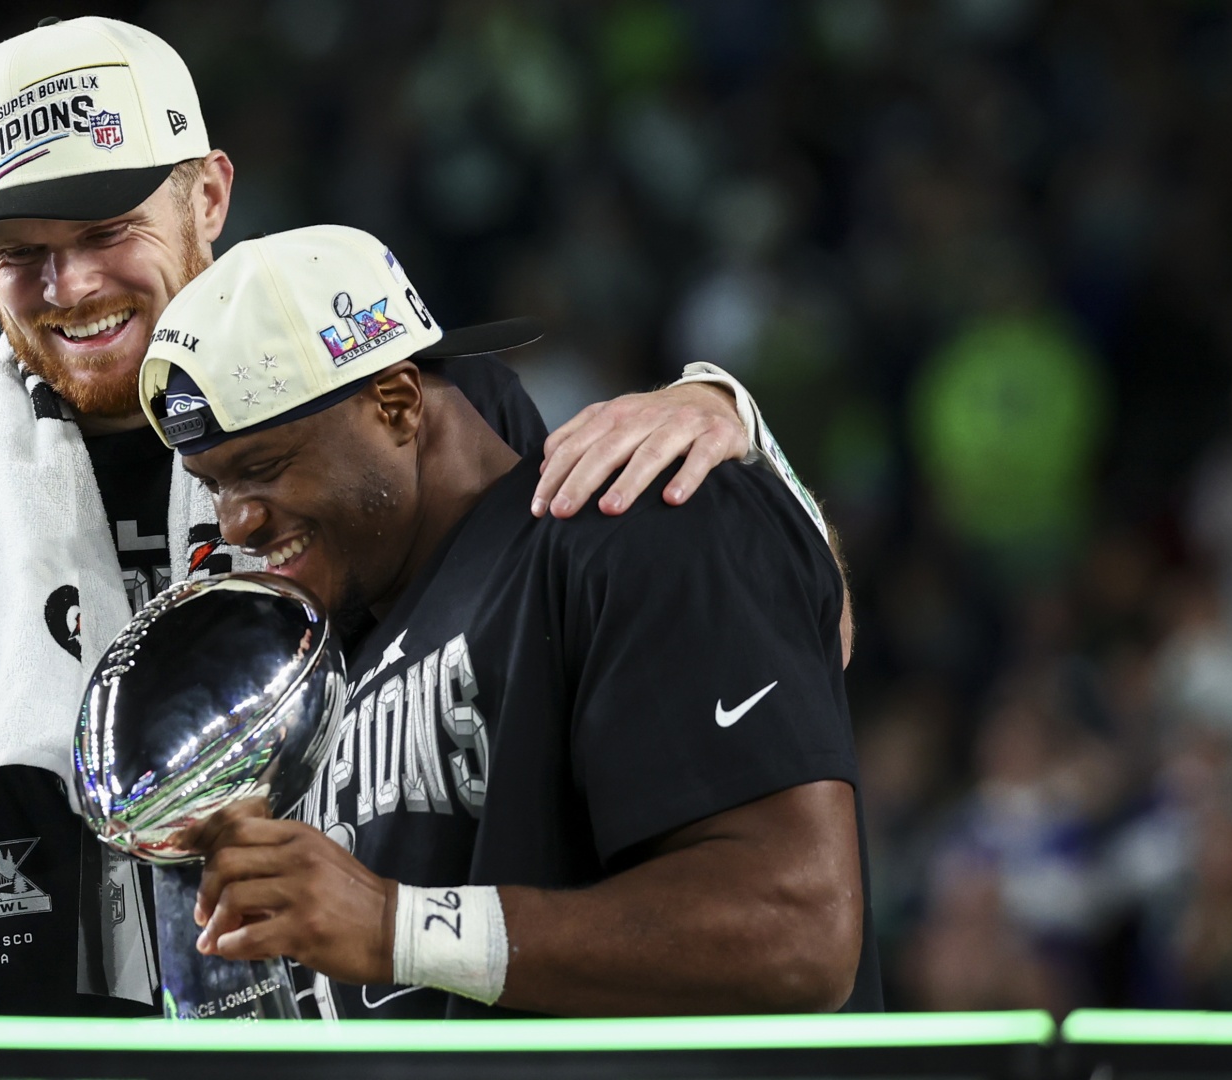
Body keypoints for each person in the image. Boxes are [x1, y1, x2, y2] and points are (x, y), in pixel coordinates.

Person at [0, 16, 781, 1015]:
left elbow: (647, 652)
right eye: (23, 256)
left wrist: (730, 427)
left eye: (107, 232)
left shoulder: (393, 409)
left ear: (210, 197)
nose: (73, 287)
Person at [146, 224, 877, 1017]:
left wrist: (400, 928)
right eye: (213, 483)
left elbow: (799, 931)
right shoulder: (327, 648)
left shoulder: (638, 514)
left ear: (395, 403)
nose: (237, 521)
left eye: (263, 467)